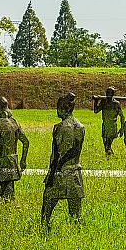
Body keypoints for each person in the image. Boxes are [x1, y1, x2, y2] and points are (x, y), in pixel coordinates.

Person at [41, 93, 85, 230]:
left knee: (48, 203)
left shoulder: (60, 127)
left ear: (62, 108)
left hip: (60, 172)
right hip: (75, 171)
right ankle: (78, 232)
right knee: (76, 211)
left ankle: (44, 228)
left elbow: (56, 154)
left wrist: (52, 173)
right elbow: (76, 149)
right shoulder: (80, 126)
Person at [93, 86, 125, 156]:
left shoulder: (116, 104)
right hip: (105, 124)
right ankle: (109, 153)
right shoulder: (103, 102)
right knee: (105, 141)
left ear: (113, 94)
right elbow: (96, 111)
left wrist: (122, 128)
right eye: (108, 93)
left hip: (112, 124)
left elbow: (122, 116)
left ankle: (109, 153)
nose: (109, 95)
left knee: (109, 142)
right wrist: (96, 101)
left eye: (110, 93)